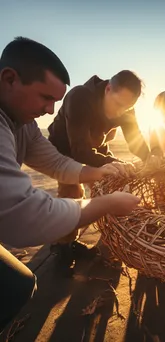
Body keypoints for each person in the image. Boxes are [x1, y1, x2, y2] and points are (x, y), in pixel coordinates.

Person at [0, 37, 140, 332]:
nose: (52, 111)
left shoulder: (22, 123)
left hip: (82, 157)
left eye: (55, 100)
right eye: (45, 98)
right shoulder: (75, 100)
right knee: (16, 287)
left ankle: (69, 242)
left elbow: (58, 164)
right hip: (70, 151)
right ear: (9, 79)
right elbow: (24, 215)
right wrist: (106, 203)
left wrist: (99, 173)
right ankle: (62, 249)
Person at [47, 70, 149, 271]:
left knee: (111, 188)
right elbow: (79, 150)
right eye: (119, 105)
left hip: (95, 148)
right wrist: (114, 162)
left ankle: (109, 247)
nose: (121, 112)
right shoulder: (79, 97)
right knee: (72, 194)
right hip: (64, 150)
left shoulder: (126, 107)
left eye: (127, 108)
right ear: (108, 89)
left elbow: (135, 141)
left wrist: (151, 157)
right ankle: (63, 246)